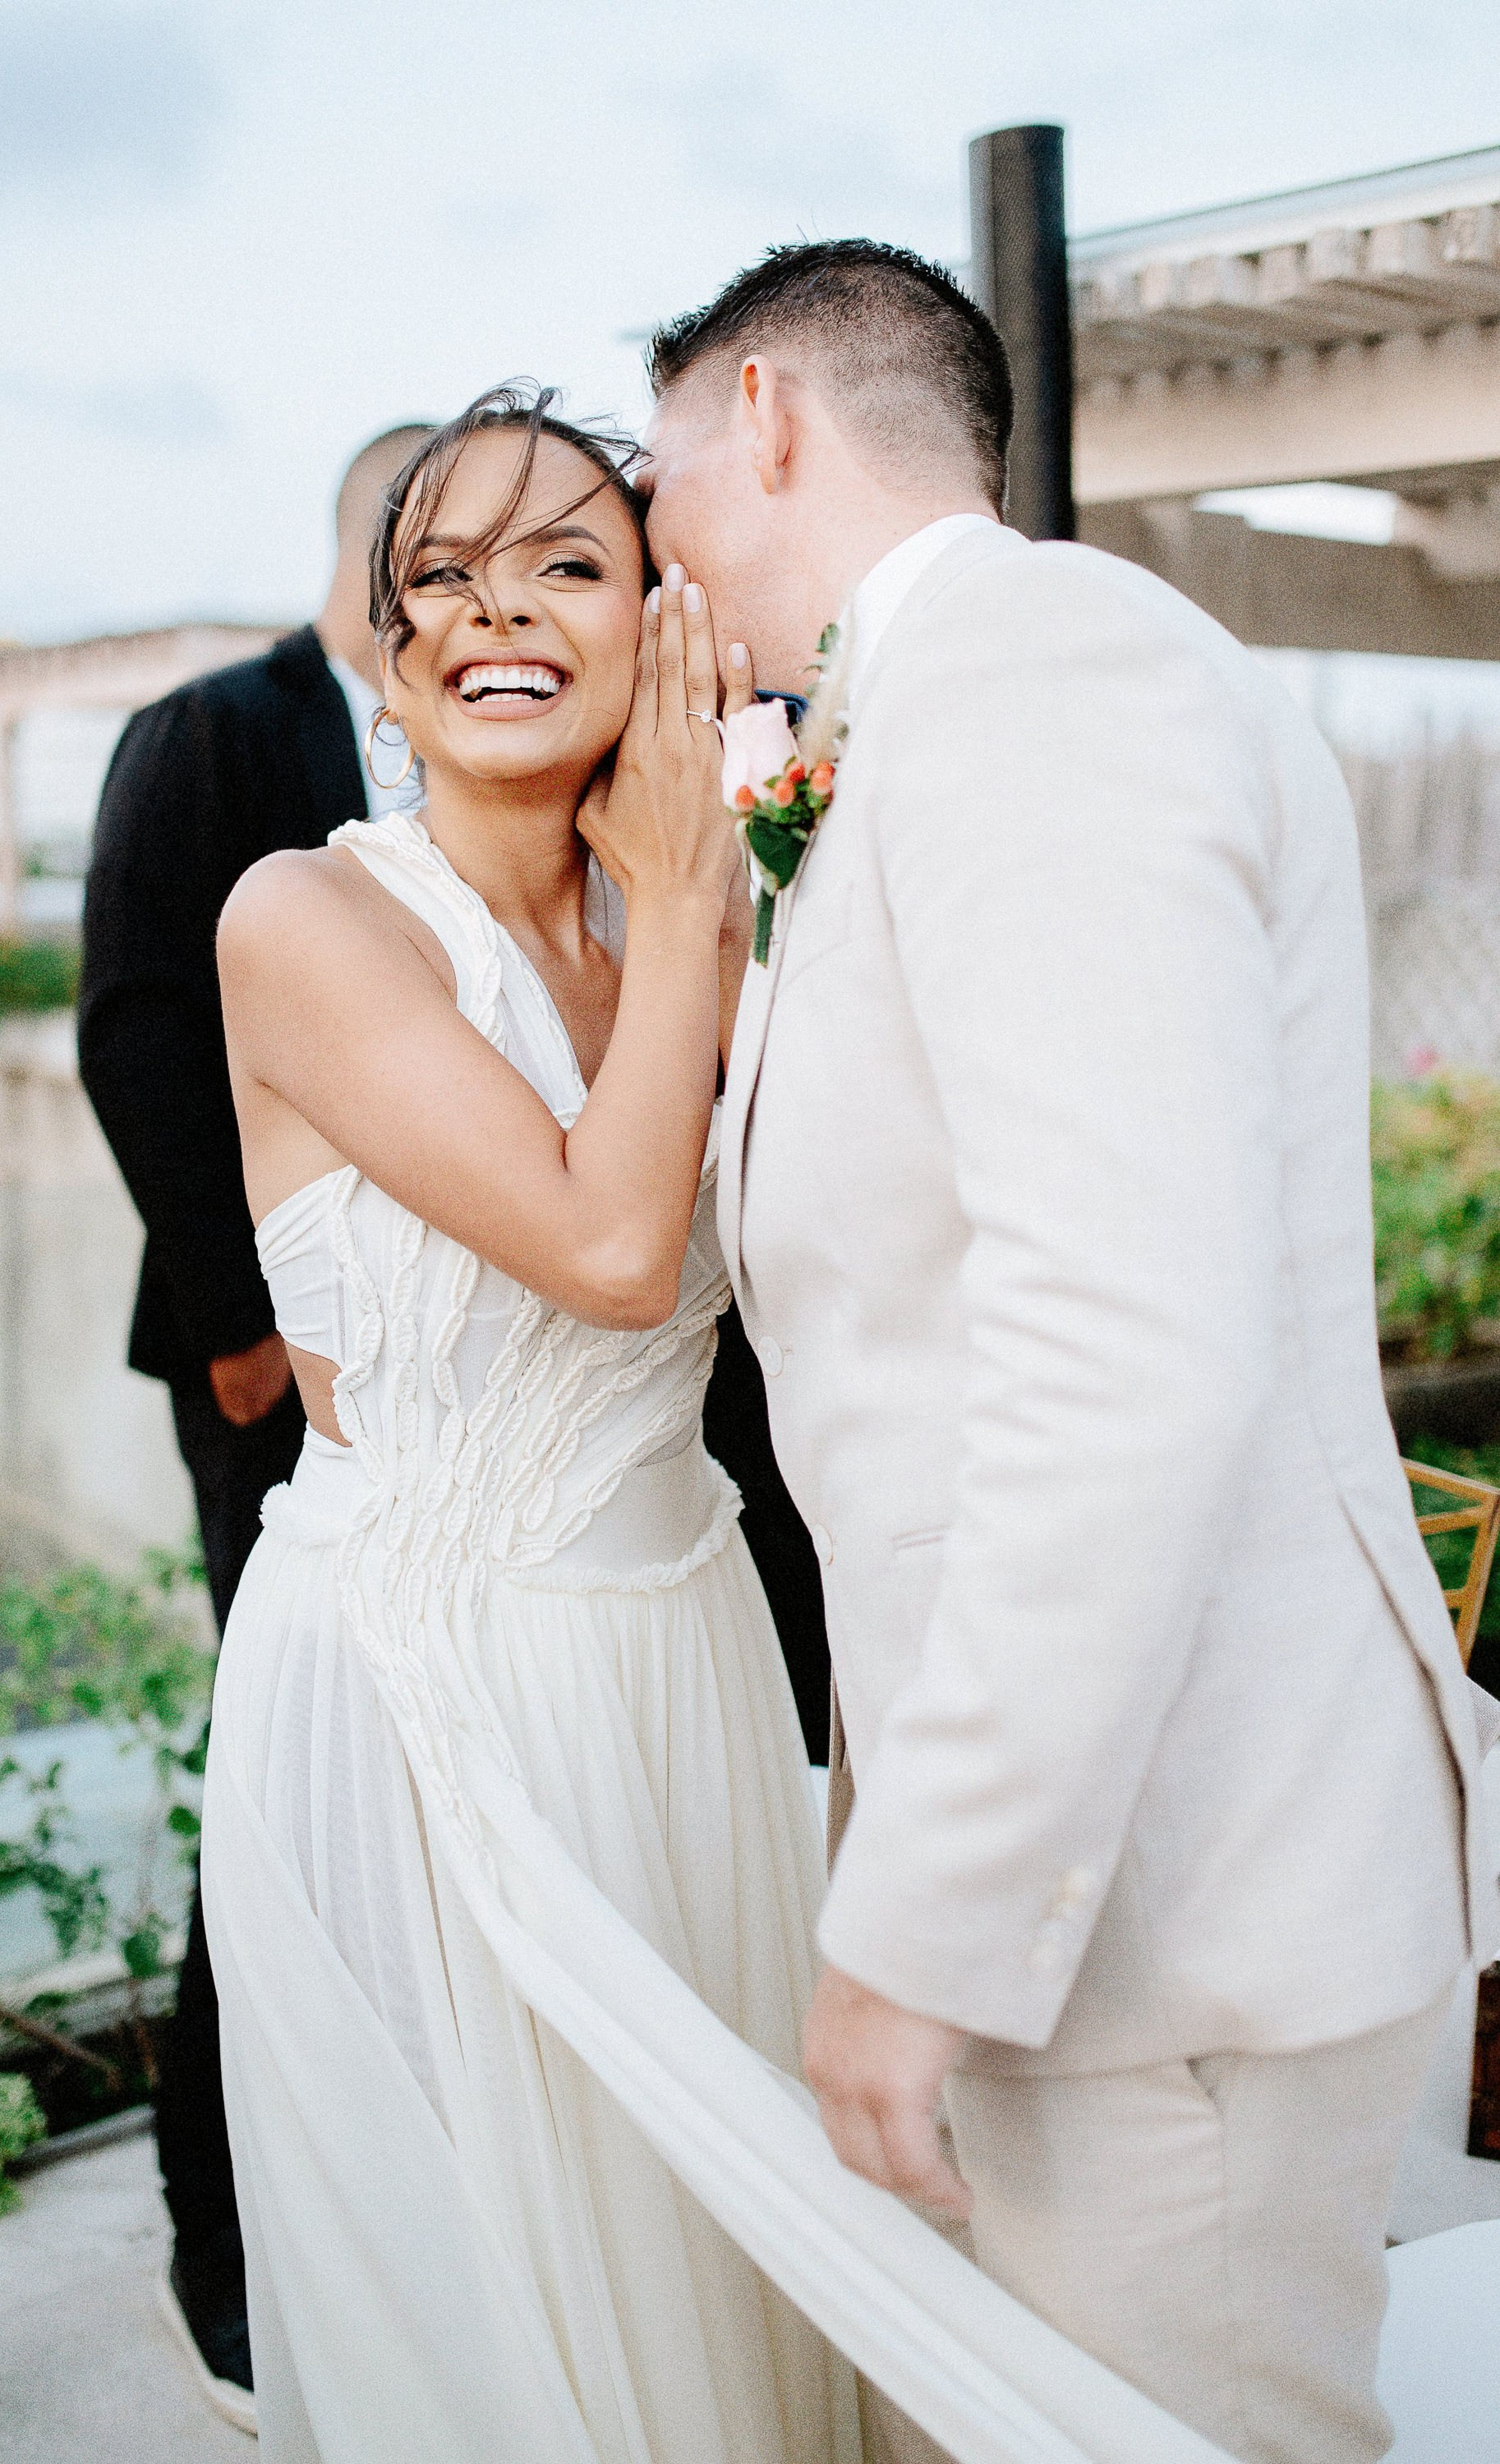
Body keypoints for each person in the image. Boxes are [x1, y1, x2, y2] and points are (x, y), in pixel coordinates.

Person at [637, 238, 1496, 2464]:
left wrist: (915, 1924)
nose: (661, 562)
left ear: (763, 416)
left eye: (657, 497)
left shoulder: (1034, 663)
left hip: (1165, 1907)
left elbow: (1120, 1341)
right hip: (1092, 1902)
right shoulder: (941, 708)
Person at [203, 388, 858, 2462]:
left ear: (661, 614)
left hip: (686, 1665)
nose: (501, 612)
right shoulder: (305, 920)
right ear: (387, 651)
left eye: (568, 561)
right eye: (443, 578)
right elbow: (605, 1245)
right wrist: (688, 903)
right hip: (424, 1698)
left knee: (726, 2292)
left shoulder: (723, 913)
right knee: (496, 2341)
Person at [78, 421, 440, 2424]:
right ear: (383, 545)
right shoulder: (211, 731)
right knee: (285, 1771)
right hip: (270, 1371)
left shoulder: (484, 749)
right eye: (454, 549)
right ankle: (212, 2223)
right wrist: (245, 1327)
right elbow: (135, 1029)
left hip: (467, 1361)